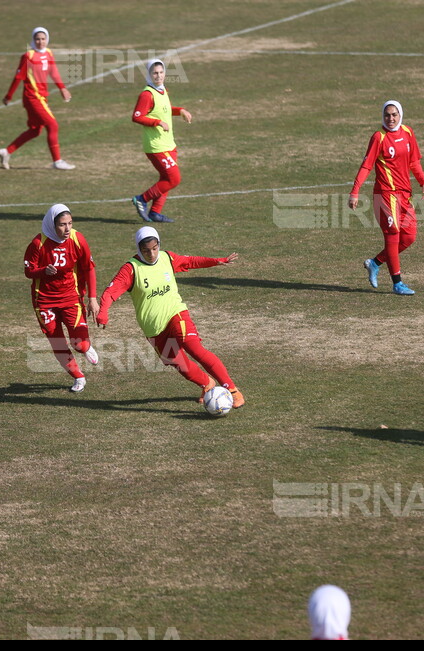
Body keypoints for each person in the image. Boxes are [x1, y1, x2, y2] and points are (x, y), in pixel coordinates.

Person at [96, 226, 245, 408]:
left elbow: (190, 261)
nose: (151, 254)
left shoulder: (167, 258)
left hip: (176, 314)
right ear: (138, 249)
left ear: (159, 244)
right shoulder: (131, 269)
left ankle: (232, 390)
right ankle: (207, 383)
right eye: (146, 250)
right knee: (177, 363)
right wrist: (103, 312)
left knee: (194, 348)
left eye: (154, 248)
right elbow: (112, 291)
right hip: (153, 328)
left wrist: (216, 261)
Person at [348, 100, 424, 296]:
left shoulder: (408, 133)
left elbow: (414, 161)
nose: (390, 118)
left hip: (404, 195)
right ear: (382, 117)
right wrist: (355, 191)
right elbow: (367, 166)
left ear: (400, 115)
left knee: (409, 237)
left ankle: (375, 263)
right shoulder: (379, 137)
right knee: (392, 234)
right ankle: (397, 283)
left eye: (394, 114)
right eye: (387, 115)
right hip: (385, 195)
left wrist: (423, 180)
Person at [24, 204, 99, 392]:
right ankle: (78, 377)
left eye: (70, 223)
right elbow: (28, 271)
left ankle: (85, 347)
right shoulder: (38, 244)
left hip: (70, 297)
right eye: (62, 225)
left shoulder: (77, 239)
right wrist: (43, 271)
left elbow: (89, 268)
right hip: (44, 302)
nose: (67, 229)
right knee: (57, 342)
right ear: (52, 224)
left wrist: (92, 298)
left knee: (80, 344)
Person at [0, 27, 75, 171]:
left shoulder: (49, 53)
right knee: (53, 125)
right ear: (33, 40)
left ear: (47, 39)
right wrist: (9, 96)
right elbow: (18, 77)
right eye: (37, 39)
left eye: (43, 38)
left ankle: (7, 151)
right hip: (32, 97)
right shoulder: (28, 56)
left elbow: (54, 72)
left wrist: (62, 88)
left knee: (35, 130)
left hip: (42, 97)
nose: (40, 42)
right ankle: (57, 161)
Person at [130, 59, 192, 224]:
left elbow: (164, 110)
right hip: (156, 146)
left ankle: (155, 212)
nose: (158, 76)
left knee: (166, 179)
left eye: (161, 72)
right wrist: (157, 122)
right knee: (174, 179)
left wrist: (181, 111)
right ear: (149, 75)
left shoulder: (162, 90)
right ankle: (142, 199)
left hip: (168, 144)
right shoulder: (147, 94)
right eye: (154, 73)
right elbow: (137, 116)